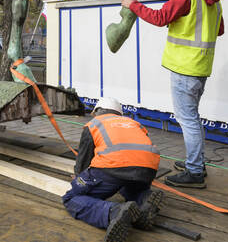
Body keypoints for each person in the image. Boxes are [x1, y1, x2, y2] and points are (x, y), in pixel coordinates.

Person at [121, 0, 224, 188]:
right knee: (193, 118)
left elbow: (159, 18)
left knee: (187, 120)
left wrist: (132, 5)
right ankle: (195, 163)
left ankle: (195, 172)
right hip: (200, 66)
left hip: (184, 67)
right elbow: (219, 29)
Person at [63, 97, 164, 242]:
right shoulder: (135, 124)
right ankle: (144, 198)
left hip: (113, 168)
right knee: (126, 186)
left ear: (97, 111)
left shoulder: (94, 124)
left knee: (72, 198)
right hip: (147, 170)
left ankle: (113, 212)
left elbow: (83, 163)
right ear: (119, 113)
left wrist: (79, 180)